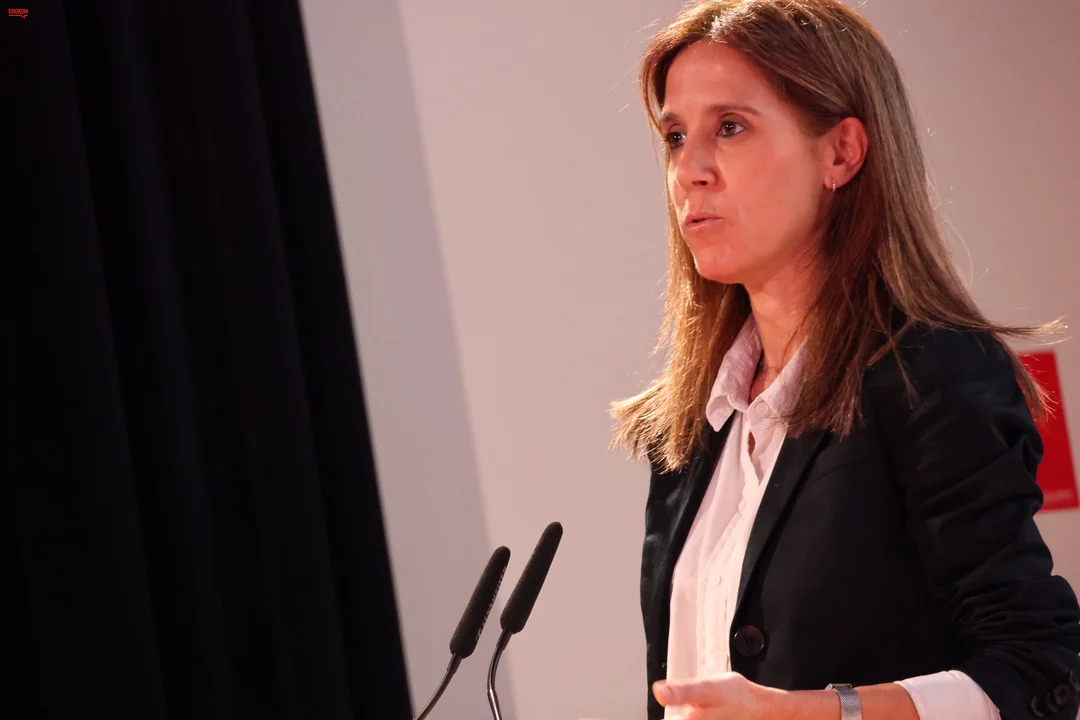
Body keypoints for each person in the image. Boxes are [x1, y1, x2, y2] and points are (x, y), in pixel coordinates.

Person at [606, 1, 1080, 719]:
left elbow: (1040, 670)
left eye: (729, 127)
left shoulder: (930, 372)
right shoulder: (689, 423)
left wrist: (818, 713)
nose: (689, 171)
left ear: (841, 154)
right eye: (675, 137)